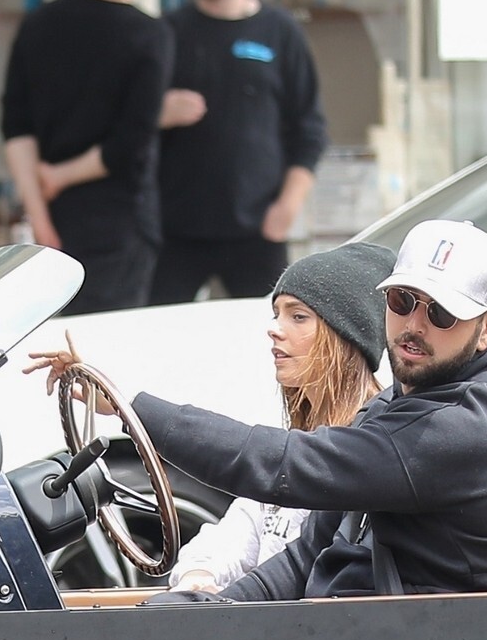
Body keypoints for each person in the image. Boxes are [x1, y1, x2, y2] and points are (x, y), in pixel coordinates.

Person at [129, 220, 487, 600]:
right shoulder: (401, 402)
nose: (414, 325)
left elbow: (282, 464)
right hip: (349, 629)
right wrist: (218, 609)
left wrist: (135, 411)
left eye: (442, 313)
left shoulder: (467, 428)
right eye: (402, 300)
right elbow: (308, 555)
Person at [159, 241, 389, 592]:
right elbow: (237, 532)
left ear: (345, 334)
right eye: (276, 314)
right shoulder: (298, 436)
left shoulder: (372, 443)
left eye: (298, 316)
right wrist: (199, 575)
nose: (275, 329)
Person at [148, 0, 329, 305]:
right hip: (177, 230)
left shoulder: (279, 32)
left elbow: (310, 130)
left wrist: (287, 207)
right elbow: (128, 121)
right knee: (159, 330)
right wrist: (159, 112)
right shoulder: (167, 33)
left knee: (269, 331)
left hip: (257, 228)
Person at [1, 0, 173, 313]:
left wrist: (39, 216)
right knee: (108, 341)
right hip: (120, 223)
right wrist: (59, 176)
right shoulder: (149, 35)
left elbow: (16, 125)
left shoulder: (39, 23)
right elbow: (129, 144)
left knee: (52, 337)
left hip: (53, 221)